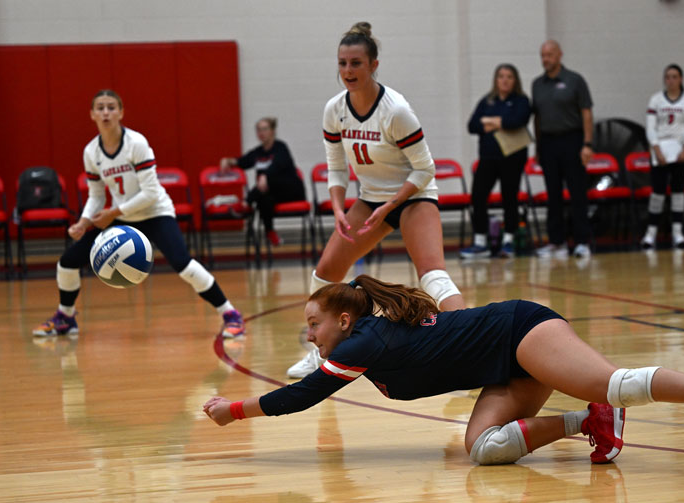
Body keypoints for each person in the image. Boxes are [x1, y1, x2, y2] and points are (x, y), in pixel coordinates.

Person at [204, 275, 684, 465]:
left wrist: (235, 410)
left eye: (313, 323)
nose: (309, 333)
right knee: (483, 449)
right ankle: (592, 422)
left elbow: (302, 397)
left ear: (346, 320)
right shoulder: (365, 340)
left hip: (519, 331)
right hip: (502, 369)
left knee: (615, 380)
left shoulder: (363, 344)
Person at [286, 22, 467, 378]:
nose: (348, 71)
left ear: (373, 65)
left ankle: (467, 353)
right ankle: (321, 355)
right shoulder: (334, 110)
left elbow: (425, 169)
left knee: (434, 277)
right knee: (324, 276)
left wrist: (391, 205)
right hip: (370, 200)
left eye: (356, 63)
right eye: (342, 63)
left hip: (412, 196)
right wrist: (338, 208)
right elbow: (336, 169)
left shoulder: (396, 111)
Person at [32, 89, 245, 339]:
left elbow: (151, 193)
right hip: (122, 216)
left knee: (183, 264)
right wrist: (83, 221)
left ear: (121, 112)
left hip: (155, 212)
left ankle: (231, 314)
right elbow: (97, 195)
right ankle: (65, 317)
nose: (106, 112)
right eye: (100, 108)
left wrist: (113, 212)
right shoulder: (91, 152)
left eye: (111, 107)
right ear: (92, 114)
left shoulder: (136, 143)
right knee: (67, 262)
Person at [530, 40, 594, 259]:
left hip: (572, 140)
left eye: (549, 54)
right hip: (548, 143)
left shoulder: (575, 80)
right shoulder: (537, 84)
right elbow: (537, 118)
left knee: (577, 193)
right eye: (542, 55)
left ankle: (582, 241)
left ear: (559, 55)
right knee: (553, 194)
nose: (545, 59)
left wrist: (587, 144)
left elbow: (586, 112)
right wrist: (538, 146)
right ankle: (557, 243)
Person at [460, 64, 532, 259]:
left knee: (510, 198)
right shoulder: (487, 101)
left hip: (512, 157)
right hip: (488, 158)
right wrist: (497, 121)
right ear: (496, 80)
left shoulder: (521, 100)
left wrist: (490, 121)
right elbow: (472, 125)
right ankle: (480, 242)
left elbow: (517, 121)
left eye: (509, 76)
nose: (505, 80)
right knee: (478, 197)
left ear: (515, 80)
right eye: (501, 76)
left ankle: (508, 240)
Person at [219, 117, 306, 246]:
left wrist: (266, 177)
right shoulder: (257, 153)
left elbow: (279, 165)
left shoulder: (281, 148)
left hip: (291, 190)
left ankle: (245, 203)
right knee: (264, 199)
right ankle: (270, 232)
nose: (261, 133)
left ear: (272, 131)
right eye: (259, 130)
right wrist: (228, 161)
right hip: (270, 193)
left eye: (265, 129)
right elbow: (243, 161)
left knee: (267, 185)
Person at [641, 64, 684, 249]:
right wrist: (656, 150)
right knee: (657, 193)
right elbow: (650, 127)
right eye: (667, 77)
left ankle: (677, 232)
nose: (671, 80)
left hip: (680, 150)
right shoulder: (656, 100)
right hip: (661, 150)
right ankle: (650, 234)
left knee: (678, 191)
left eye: (674, 76)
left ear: (681, 79)